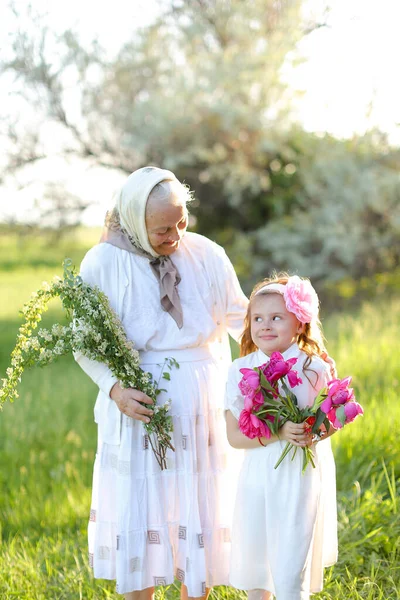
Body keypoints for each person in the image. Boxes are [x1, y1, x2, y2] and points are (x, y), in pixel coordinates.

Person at [74, 166, 248, 600]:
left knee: (198, 507)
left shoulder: (207, 253)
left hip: (202, 403)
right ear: (134, 220)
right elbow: (83, 342)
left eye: (181, 222)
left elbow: (242, 320)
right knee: (144, 507)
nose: (175, 235)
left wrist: (292, 352)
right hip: (141, 405)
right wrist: (115, 389)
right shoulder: (102, 262)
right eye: (161, 229)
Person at [225, 274, 338, 600]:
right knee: (258, 569)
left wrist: (313, 432)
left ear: (299, 324)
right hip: (258, 477)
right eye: (258, 318)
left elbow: (329, 421)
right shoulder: (241, 369)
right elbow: (234, 436)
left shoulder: (313, 368)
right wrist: (277, 432)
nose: (265, 325)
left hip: (298, 479)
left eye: (277, 317)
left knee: (290, 570)